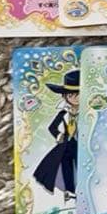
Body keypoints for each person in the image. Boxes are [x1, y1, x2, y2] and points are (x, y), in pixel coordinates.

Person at [32, 69, 80, 200]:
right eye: (71, 95)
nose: (75, 98)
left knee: (80, 166)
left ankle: (82, 189)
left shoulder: (87, 113)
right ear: (65, 96)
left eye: (78, 94)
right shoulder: (63, 113)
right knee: (66, 168)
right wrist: (59, 135)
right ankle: (70, 191)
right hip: (66, 145)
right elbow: (52, 127)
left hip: (81, 145)